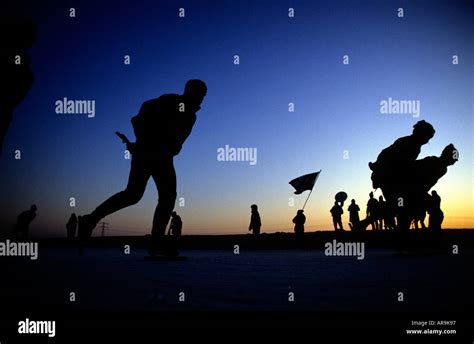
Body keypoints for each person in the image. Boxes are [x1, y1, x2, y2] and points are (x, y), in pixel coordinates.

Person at [77, 80, 207, 256]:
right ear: (189, 91)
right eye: (199, 94)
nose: (201, 99)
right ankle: (93, 221)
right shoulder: (170, 101)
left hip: (163, 157)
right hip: (148, 154)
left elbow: (178, 138)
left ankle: (153, 242)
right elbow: (139, 118)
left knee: (149, 195)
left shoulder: (191, 115)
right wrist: (143, 140)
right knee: (143, 195)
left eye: (203, 95)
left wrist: (171, 148)